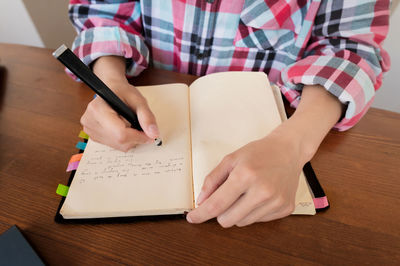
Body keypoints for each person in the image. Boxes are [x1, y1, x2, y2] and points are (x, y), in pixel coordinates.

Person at [67, 0, 390, 227]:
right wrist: (109, 82)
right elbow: (104, 11)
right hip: (152, 91)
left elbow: (348, 48)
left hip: (287, 123)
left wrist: (294, 145)